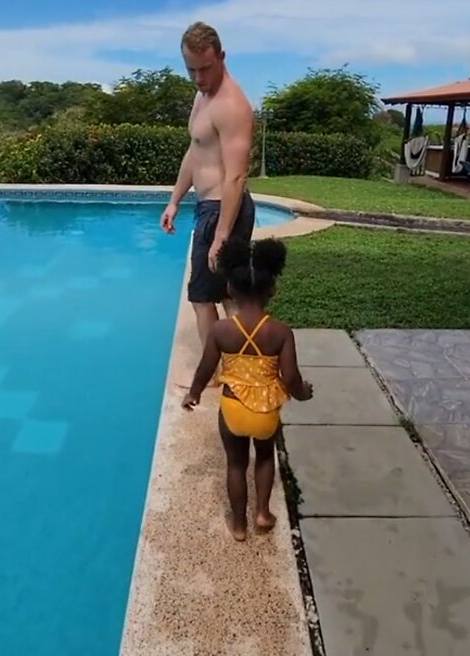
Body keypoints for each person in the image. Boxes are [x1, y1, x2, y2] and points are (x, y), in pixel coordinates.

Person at [182, 238, 314, 541]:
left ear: (229, 288)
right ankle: (262, 513)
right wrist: (303, 392)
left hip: (232, 410)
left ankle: (239, 525)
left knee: (236, 463)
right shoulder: (280, 332)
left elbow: (205, 368)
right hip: (266, 413)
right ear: (273, 289)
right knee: (265, 458)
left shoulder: (221, 330)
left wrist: (194, 392)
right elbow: (291, 377)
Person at [160, 21, 256, 387]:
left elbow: (235, 176)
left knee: (202, 298)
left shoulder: (232, 105)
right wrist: (174, 200)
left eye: (205, 68)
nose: (199, 77)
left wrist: (221, 235)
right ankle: (243, 367)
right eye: (191, 69)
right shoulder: (203, 98)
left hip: (222, 209)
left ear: (222, 57)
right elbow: (195, 151)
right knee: (228, 293)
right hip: (209, 208)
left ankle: (214, 373)